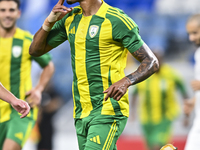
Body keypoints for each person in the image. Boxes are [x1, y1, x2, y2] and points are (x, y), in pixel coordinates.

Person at [29, 0, 159, 149]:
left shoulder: (116, 20)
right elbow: (35, 50)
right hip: (81, 112)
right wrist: (49, 20)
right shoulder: (70, 18)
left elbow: (151, 61)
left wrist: (126, 81)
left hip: (107, 110)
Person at [0, 0, 55, 150]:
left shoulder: (27, 40)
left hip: (22, 109)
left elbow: (48, 66)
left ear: (18, 13)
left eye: (11, 10)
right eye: (2, 10)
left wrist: (38, 89)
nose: (7, 14)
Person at [131, 51, 188, 150]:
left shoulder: (170, 74)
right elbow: (135, 93)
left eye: (158, 60)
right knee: (151, 147)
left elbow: (183, 90)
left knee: (158, 146)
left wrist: (187, 113)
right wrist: (132, 112)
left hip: (165, 118)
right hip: (146, 119)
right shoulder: (144, 75)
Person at [184, 14, 200, 150]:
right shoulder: (198, 53)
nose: (191, 38)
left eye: (195, 33)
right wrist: (193, 101)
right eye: (189, 34)